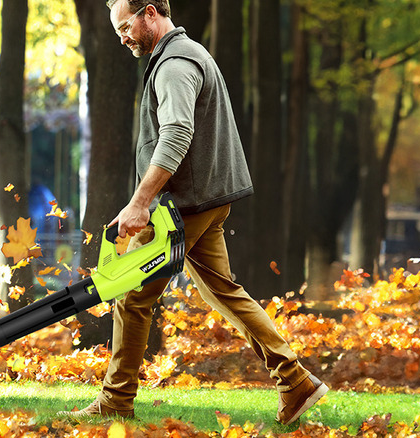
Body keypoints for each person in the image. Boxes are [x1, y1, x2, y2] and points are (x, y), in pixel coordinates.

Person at [60, 0, 327, 425]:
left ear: (150, 12)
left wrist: (140, 201)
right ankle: (295, 381)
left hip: (185, 206)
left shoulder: (174, 64)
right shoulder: (187, 53)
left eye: (125, 27)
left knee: (131, 295)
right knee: (223, 290)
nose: (122, 38)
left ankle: (115, 401)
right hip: (205, 199)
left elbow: (177, 134)